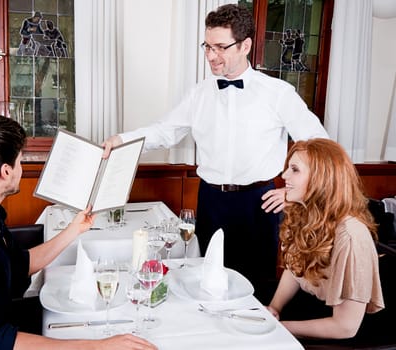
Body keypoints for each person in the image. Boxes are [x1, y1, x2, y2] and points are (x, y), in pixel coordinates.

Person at [102, 3, 328, 299]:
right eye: (207, 47)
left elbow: (320, 146)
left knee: (254, 290)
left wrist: (294, 193)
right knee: (205, 285)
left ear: (245, 45)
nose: (211, 56)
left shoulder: (278, 93)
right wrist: (122, 139)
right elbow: (164, 131)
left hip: (258, 203)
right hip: (210, 201)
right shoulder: (198, 94)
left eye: (220, 47)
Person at [0, 116, 157, 350]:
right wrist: (98, 347)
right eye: (20, 161)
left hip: (2, 323)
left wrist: (75, 229)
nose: (22, 167)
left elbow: (22, 264)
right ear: (6, 172)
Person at [266, 138, 384, 341]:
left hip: (347, 333)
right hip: (314, 309)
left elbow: (345, 328)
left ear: (321, 178)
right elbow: (295, 271)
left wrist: (280, 327)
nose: (284, 175)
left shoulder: (351, 236)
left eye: (295, 169)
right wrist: (274, 308)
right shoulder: (305, 213)